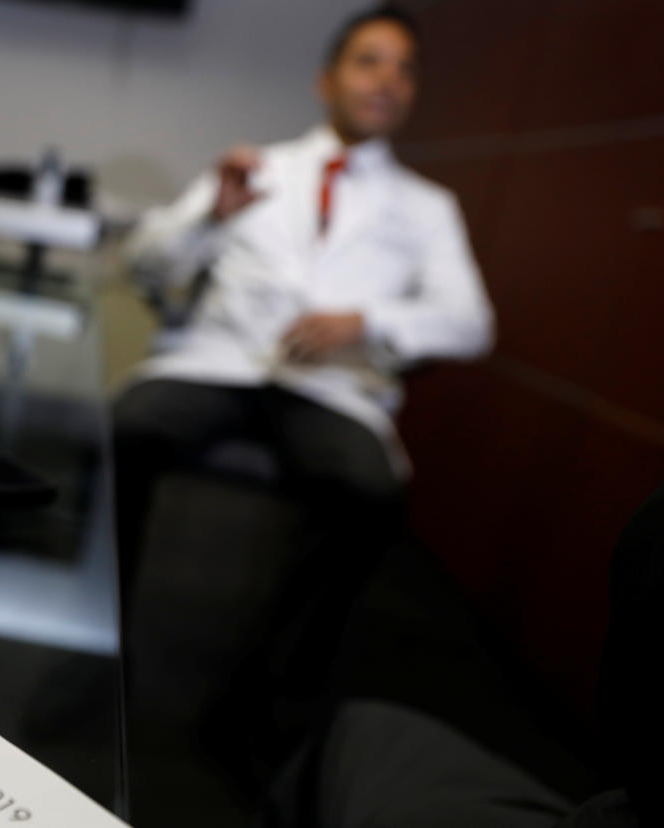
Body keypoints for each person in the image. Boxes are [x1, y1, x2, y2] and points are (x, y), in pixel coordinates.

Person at [114, 4, 495, 601]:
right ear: (326, 80)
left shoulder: (429, 207)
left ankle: (287, 663)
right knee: (126, 429)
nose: (388, 81)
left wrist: (367, 321)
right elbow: (142, 262)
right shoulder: (252, 169)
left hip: (330, 389)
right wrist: (213, 216)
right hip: (222, 364)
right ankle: (110, 601)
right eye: (370, 62)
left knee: (373, 497)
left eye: (405, 71)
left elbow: (472, 326)